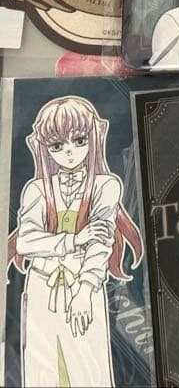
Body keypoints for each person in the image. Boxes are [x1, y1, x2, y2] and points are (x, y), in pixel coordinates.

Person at [8, 96, 143, 386]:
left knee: (88, 371)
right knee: (42, 370)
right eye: (57, 145)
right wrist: (74, 239)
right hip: (41, 285)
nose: (69, 151)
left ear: (94, 138)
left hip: (85, 285)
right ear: (44, 147)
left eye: (79, 140)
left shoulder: (106, 185)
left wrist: (85, 289)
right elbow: (25, 242)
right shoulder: (36, 189)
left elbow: (101, 242)